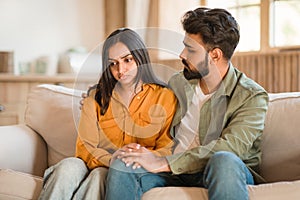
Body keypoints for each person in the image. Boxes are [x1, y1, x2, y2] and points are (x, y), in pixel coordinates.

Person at [105, 7, 269, 200]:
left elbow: (231, 147)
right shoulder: (178, 82)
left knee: (224, 160)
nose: (182, 54)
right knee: (123, 164)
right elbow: (144, 99)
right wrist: (102, 98)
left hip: (218, 172)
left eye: (190, 49)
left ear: (215, 55)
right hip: (174, 174)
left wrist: (165, 163)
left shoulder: (252, 96)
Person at [38, 28, 177, 200]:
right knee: (68, 166)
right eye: (113, 63)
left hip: (133, 168)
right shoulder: (96, 98)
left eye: (127, 60)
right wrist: (110, 159)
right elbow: (84, 148)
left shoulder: (164, 97)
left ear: (140, 58)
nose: (121, 70)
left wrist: (136, 156)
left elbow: (168, 148)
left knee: (100, 176)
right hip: (97, 163)